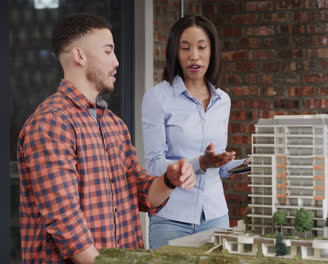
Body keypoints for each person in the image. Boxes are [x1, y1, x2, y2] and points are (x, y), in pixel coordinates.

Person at [17, 13, 196, 264]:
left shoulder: (114, 125)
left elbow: (140, 193)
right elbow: (66, 222)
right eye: (108, 51)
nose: (117, 62)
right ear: (80, 56)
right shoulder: (51, 123)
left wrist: (169, 179)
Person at [142, 15, 247, 249]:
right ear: (174, 53)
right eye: (185, 48)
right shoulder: (158, 98)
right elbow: (154, 165)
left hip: (216, 217)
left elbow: (216, 167)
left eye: (202, 47)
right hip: (171, 218)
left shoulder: (223, 101)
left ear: (212, 52)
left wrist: (246, 164)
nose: (194, 56)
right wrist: (200, 162)